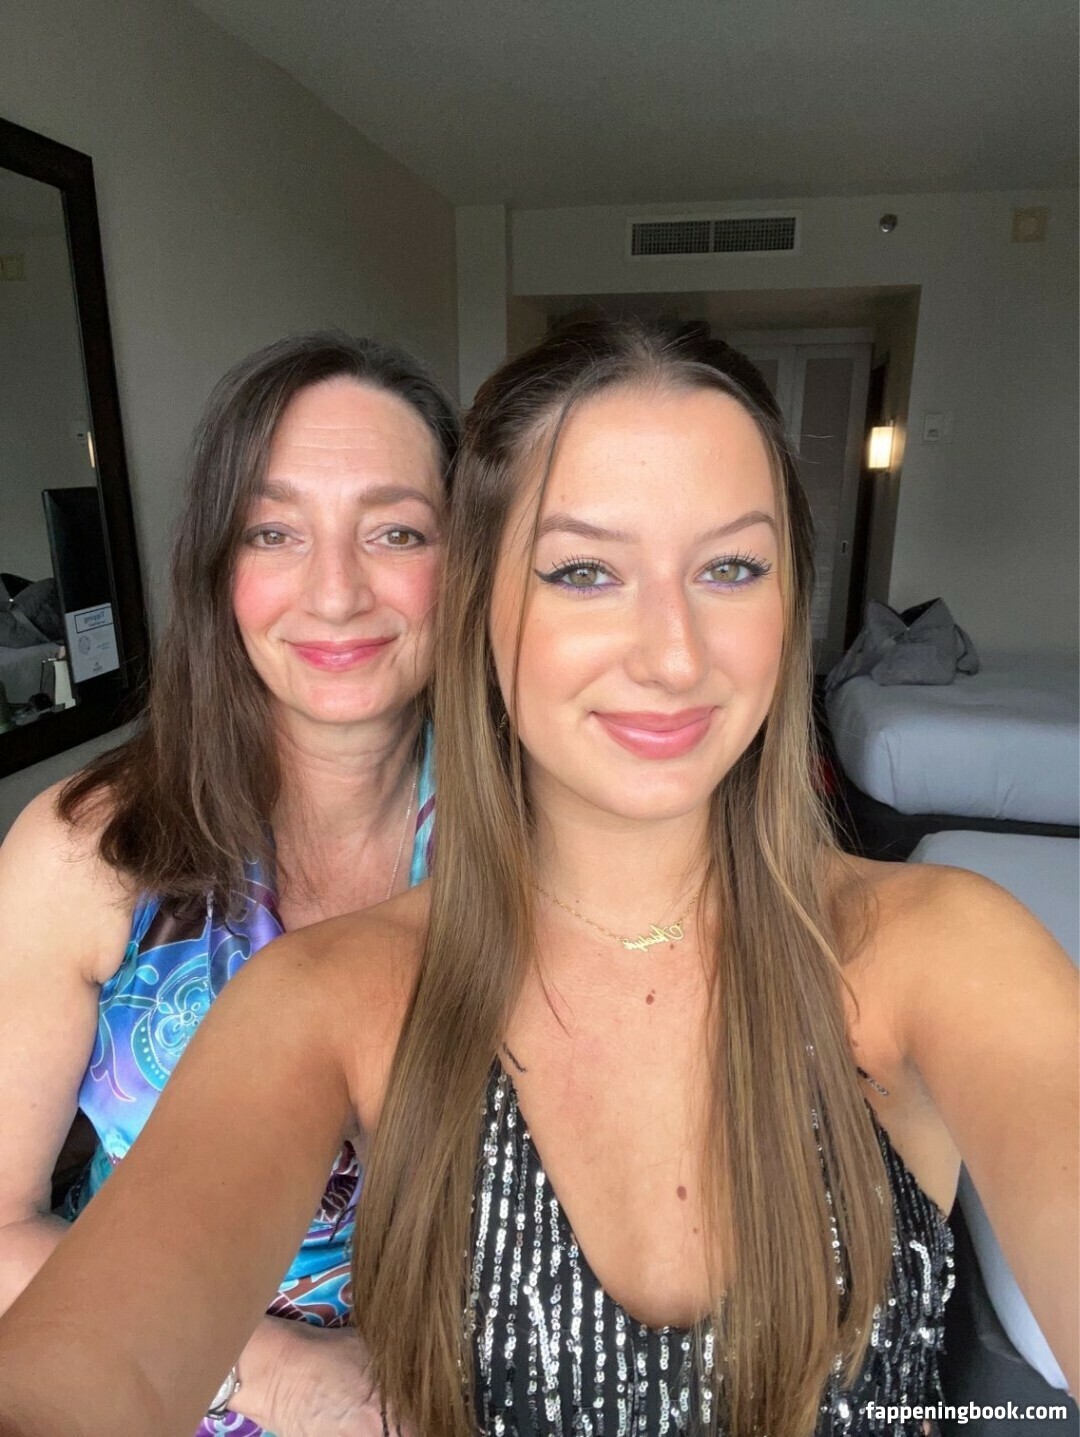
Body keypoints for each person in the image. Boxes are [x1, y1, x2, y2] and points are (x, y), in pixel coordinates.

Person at [0, 318, 1074, 1437]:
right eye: (584, 570)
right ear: (491, 606)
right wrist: (276, 1376)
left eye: (731, 567)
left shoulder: (942, 944)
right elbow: (90, 1364)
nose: (673, 655)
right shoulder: (323, 983)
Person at [0, 332, 458, 1437]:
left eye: (396, 531)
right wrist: (281, 1376)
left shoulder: (542, 845)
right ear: (218, 568)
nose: (336, 592)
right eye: (274, 532)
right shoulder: (85, 852)